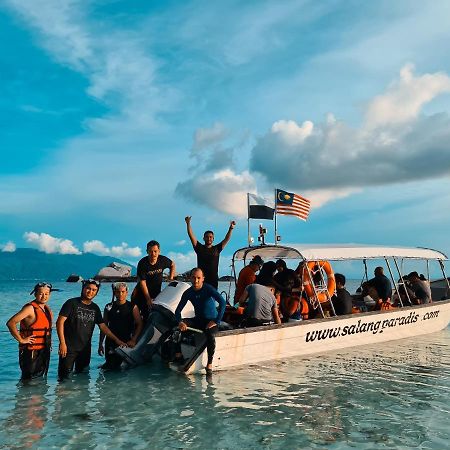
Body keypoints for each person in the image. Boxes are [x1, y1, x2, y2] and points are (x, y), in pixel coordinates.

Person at [56, 279, 127, 380]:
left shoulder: (95, 308)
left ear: (96, 292)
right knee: (64, 378)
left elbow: (103, 327)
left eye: (94, 290)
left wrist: (117, 340)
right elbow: (60, 322)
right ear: (83, 288)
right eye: (88, 288)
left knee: (83, 377)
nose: (90, 292)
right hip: (68, 348)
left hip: (85, 349)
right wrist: (62, 343)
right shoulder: (71, 303)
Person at [174, 268, 226, 375]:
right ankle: (178, 356)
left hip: (211, 320)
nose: (196, 280)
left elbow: (223, 303)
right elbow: (177, 311)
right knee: (177, 329)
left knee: (210, 336)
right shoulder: (188, 292)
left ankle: (209, 364)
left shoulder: (208, 289)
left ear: (203, 279)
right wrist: (180, 322)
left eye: (198, 278)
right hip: (198, 320)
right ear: (190, 278)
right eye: (193, 277)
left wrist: (216, 321)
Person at [6, 282, 53, 380]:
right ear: (35, 294)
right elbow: (11, 323)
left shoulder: (47, 309)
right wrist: (21, 340)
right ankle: (25, 395)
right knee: (29, 381)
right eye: (40, 293)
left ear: (50, 294)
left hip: (43, 351)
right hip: (31, 352)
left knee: (39, 380)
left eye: (46, 294)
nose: (44, 296)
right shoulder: (30, 308)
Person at [98, 282, 143, 370]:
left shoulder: (133, 307)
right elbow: (104, 326)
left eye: (123, 291)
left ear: (127, 292)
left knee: (123, 368)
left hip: (126, 341)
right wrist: (100, 344)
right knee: (109, 367)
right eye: (118, 292)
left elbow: (140, 324)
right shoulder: (108, 307)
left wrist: (134, 340)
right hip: (110, 342)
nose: (120, 294)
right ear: (114, 293)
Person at [185, 216, 236, 289]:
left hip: (213, 282)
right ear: (203, 238)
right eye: (207, 237)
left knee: (212, 300)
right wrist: (188, 224)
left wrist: (231, 228)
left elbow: (226, 239)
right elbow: (191, 236)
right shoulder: (199, 248)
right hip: (201, 282)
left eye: (210, 237)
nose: (209, 238)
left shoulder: (217, 249)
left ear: (213, 239)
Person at [133, 240, 175, 322]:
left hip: (156, 292)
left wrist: (171, 278)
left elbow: (172, 264)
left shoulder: (163, 260)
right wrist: (148, 299)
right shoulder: (142, 263)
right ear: (147, 251)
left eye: (155, 251)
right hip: (141, 293)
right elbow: (142, 282)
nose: (153, 254)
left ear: (159, 251)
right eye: (150, 251)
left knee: (153, 315)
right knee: (139, 317)